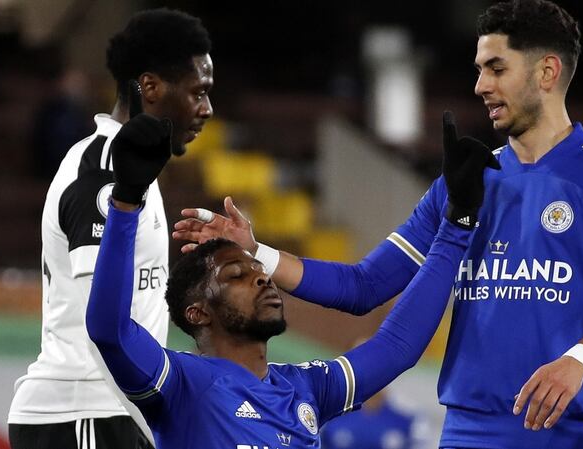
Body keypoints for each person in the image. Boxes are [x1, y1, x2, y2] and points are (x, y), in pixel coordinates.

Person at [173, 1, 583, 447]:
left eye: (496, 68)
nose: (480, 85)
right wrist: (257, 252)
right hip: (468, 431)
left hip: (567, 430)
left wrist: (580, 358)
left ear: (547, 71)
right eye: (479, 70)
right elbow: (365, 285)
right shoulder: (464, 183)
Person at [84, 103, 488, 448]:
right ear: (197, 313)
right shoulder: (184, 384)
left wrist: (457, 227)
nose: (262, 279)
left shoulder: (306, 388)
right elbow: (109, 330)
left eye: (260, 271)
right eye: (236, 275)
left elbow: (397, 347)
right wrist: (126, 201)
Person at [8, 8, 214, 449]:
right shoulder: (104, 173)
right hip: (85, 412)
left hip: (112, 411)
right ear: (152, 87)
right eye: (199, 92)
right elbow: (99, 324)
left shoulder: (137, 171)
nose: (207, 110)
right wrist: (154, 422)